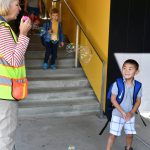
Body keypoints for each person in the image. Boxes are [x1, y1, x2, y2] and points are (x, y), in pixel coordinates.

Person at [0, 0, 31, 149]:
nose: (20, 8)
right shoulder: (1, 29)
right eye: (17, 4)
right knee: (5, 140)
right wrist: (23, 34)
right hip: (4, 95)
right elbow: (14, 60)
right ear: (6, 5)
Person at [106, 59, 142, 150]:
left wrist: (131, 113)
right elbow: (113, 99)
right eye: (124, 68)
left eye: (130, 69)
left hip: (130, 115)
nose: (126, 71)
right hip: (117, 114)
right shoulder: (117, 83)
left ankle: (128, 147)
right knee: (113, 135)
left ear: (136, 72)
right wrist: (122, 112)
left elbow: (138, 101)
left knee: (130, 134)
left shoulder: (138, 85)